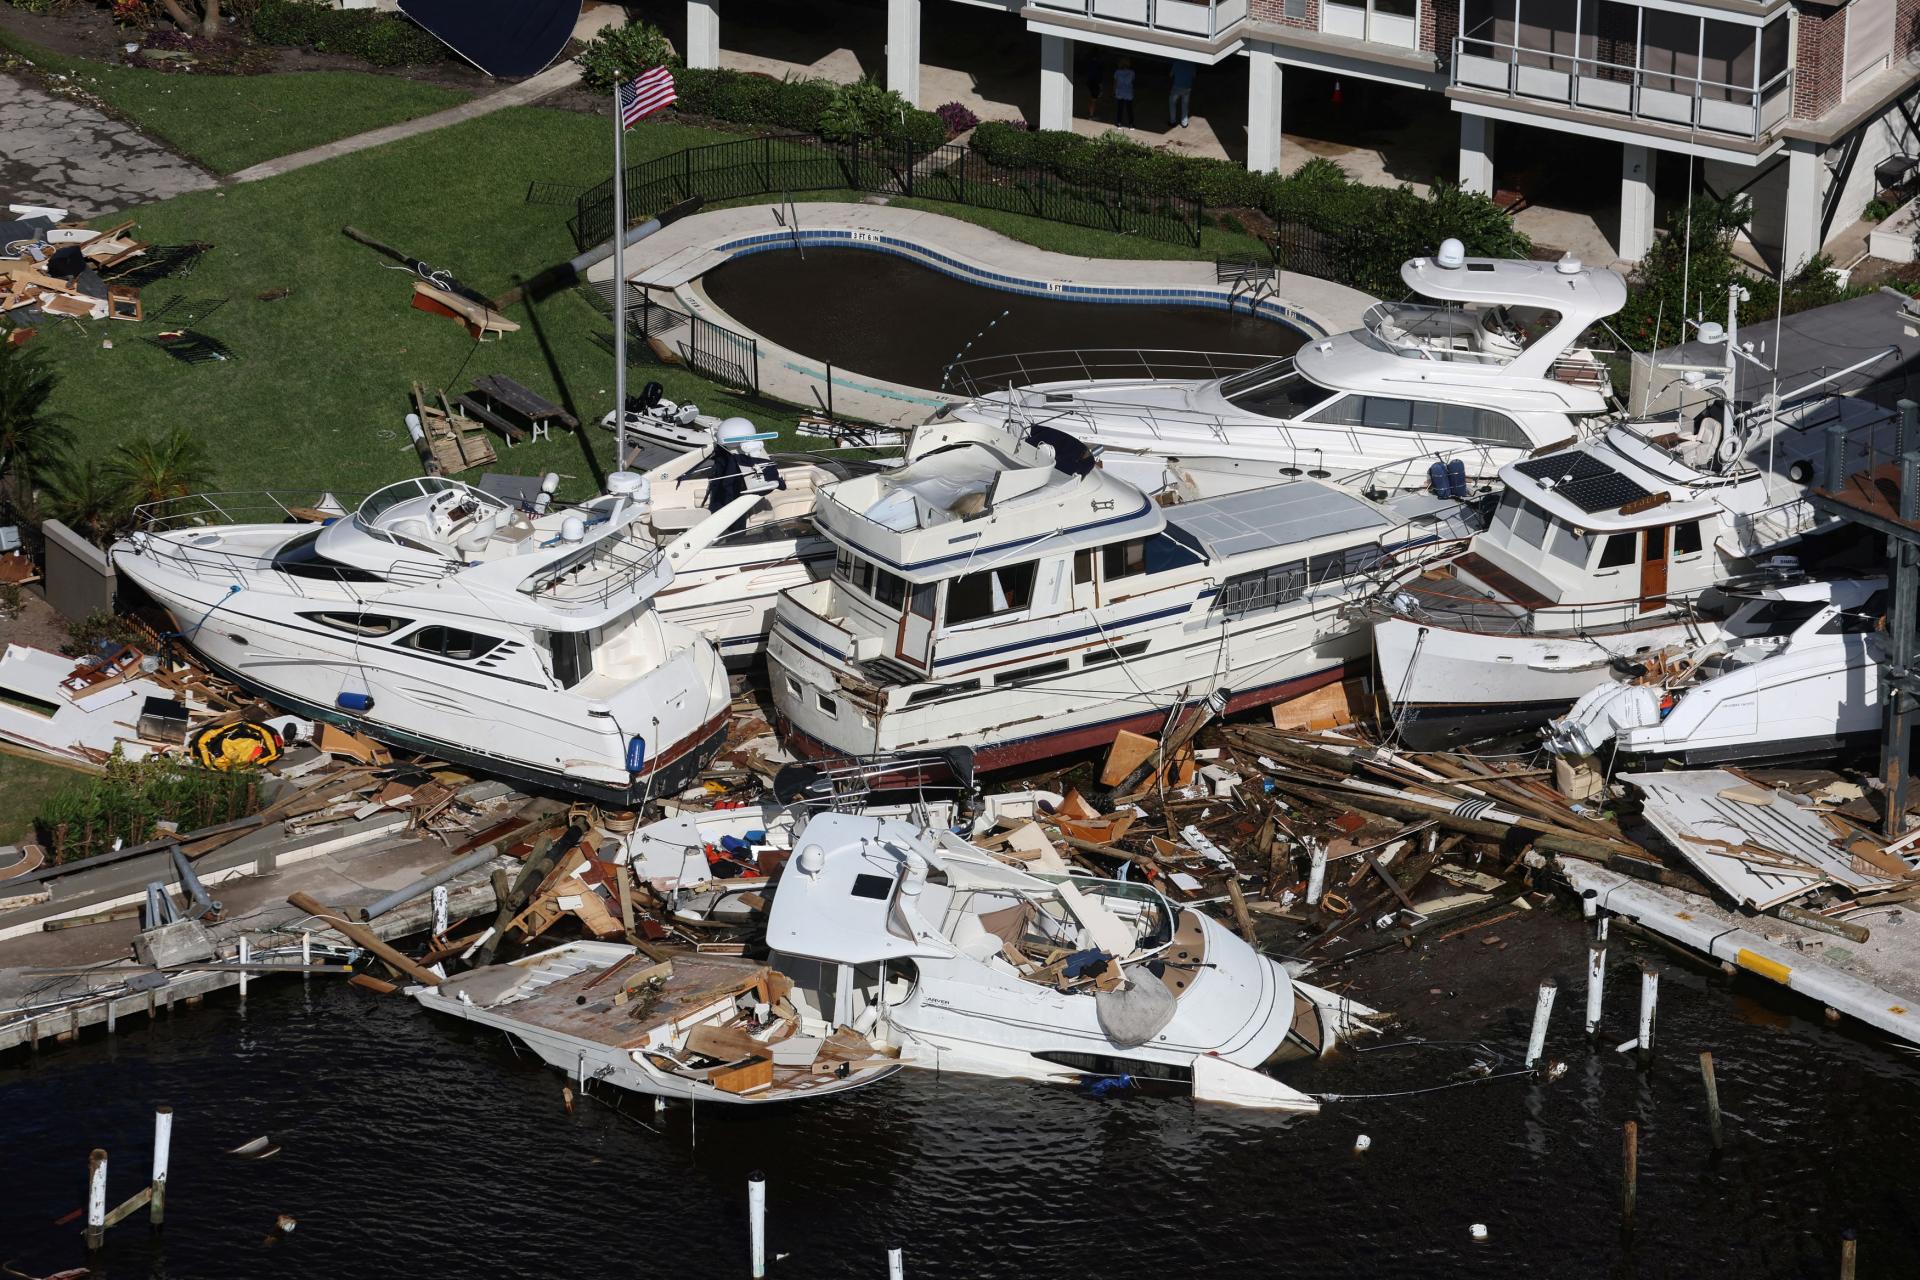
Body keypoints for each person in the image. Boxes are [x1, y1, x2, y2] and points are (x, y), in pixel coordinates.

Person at [1168, 60, 1195, 129]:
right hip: (1187, 88)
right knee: (1185, 105)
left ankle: (1172, 121)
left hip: (1176, 87)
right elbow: (1194, 75)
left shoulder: (1176, 63)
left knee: (1172, 103)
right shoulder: (1192, 64)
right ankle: (1184, 123)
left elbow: (1171, 75)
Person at [1082, 54, 1106, 121]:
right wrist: (1101, 88)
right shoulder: (1099, 65)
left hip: (1089, 82)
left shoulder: (1089, 63)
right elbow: (1099, 77)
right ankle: (1091, 116)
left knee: (1092, 100)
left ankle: (1090, 114)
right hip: (1095, 84)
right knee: (1093, 101)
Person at [1113, 58, 1135, 128]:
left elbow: (1115, 83)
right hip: (1128, 92)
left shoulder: (1117, 72)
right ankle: (1131, 124)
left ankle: (1119, 123)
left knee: (1120, 108)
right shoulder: (1132, 72)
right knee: (1129, 109)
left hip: (1119, 92)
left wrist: (1113, 91)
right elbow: (1132, 81)